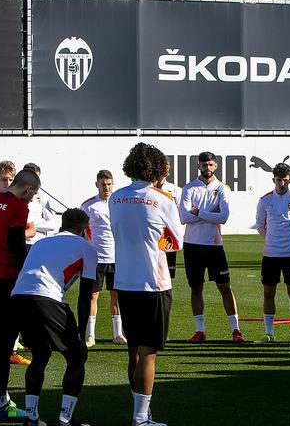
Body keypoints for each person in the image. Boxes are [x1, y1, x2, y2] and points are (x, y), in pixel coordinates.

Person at [109, 142, 184, 426]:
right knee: (148, 354)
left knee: (133, 351)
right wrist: (156, 242)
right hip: (153, 283)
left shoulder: (115, 198)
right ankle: (141, 417)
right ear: (157, 167)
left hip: (125, 281)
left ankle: (139, 411)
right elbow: (176, 242)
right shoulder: (162, 199)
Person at [11, 208, 97, 426]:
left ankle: (31, 418)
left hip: (18, 297)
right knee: (76, 357)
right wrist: (82, 335)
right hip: (45, 298)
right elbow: (86, 296)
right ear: (83, 229)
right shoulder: (87, 248)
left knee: (40, 355)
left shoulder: (41, 242)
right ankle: (65, 419)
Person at [0, 169, 41, 419]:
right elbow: (16, 245)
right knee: (14, 342)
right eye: (32, 195)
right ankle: (2, 401)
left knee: (0, 341)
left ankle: (0, 399)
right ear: (29, 189)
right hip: (9, 279)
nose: (31, 200)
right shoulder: (18, 207)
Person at [179, 152, 244, 344]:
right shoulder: (189, 188)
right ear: (198, 166)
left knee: (224, 287)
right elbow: (184, 217)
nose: (207, 168)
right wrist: (210, 214)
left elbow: (223, 217)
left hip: (214, 245)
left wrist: (197, 211)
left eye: (210, 165)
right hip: (192, 245)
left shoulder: (222, 189)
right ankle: (200, 332)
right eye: (204, 165)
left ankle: (236, 330)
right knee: (196, 288)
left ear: (215, 166)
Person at [255, 163, 290, 344]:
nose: (282, 183)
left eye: (285, 180)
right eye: (279, 180)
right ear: (274, 180)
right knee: (268, 292)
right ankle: (269, 333)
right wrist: (273, 241)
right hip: (270, 255)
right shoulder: (264, 200)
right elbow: (261, 226)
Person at [79, 170, 125, 347]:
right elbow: (82, 231)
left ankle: (118, 334)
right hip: (95, 258)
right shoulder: (88, 205)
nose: (106, 187)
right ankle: (90, 335)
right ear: (97, 184)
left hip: (116, 257)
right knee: (93, 295)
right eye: (103, 184)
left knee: (116, 295)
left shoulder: (119, 203)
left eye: (109, 184)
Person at [23, 163, 59, 249]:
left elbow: (52, 224)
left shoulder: (42, 197)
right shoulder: (16, 195)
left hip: (37, 242)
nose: (36, 181)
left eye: (38, 177)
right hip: (21, 243)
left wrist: (31, 227)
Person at [155, 169, 181, 280]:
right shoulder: (147, 189)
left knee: (168, 276)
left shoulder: (176, 191)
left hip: (168, 237)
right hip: (152, 235)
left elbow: (181, 214)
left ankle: (165, 297)